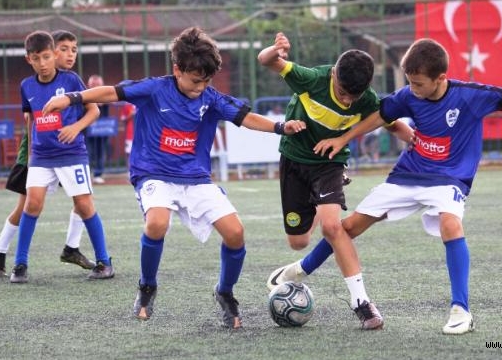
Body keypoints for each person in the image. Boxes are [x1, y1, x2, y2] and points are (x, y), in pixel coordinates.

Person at [268, 38, 502, 335]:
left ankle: (460, 310)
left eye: (418, 83)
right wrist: (343, 138)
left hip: (449, 179)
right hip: (407, 175)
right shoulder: (409, 95)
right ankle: (301, 269)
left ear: (441, 79)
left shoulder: (468, 96)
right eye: (409, 82)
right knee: (345, 229)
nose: (412, 89)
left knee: (450, 225)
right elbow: (379, 117)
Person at [42, 26, 306, 329]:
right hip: (153, 174)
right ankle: (147, 287)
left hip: (195, 177)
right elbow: (112, 93)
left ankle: (225, 292)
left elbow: (245, 117)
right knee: (157, 223)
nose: (201, 87)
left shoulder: (210, 96)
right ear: (177, 69)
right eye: (196, 80)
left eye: (207, 80)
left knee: (235, 233)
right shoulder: (155, 89)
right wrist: (72, 98)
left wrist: (279, 127)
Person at [257, 32, 412, 330]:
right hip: (293, 160)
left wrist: (412, 138)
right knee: (298, 241)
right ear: (333, 74)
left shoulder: (364, 99)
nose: (346, 99)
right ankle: (321, 202)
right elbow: (265, 60)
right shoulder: (311, 79)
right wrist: (276, 51)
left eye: (353, 96)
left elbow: (389, 123)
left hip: (329, 164)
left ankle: (362, 304)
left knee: (332, 227)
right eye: (342, 91)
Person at [7, 30, 115, 284]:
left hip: (72, 154)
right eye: (37, 58)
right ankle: (20, 264)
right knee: (32, 204)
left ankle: (104, 262)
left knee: (85, 205)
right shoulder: (26, 86)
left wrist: (76, 127)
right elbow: (30, 121)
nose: (43, 63)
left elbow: (93, 110)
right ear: (29, 60)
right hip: (41, 157)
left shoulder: (72, 80)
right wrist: (31, 153)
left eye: (46, 57)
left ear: (52, 55)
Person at [85, 74, 109, 184]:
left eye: (97, 84)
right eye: (93, 84)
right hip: (88, 129)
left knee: (100, 151)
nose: (95, 86)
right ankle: (87, 173)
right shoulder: (85, 95)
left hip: (103, 129)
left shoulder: (106, 94)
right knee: (88, 152)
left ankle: (98, 174)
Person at [119, 101, 136, 169]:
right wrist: (130, 115)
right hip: (130, 133)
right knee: (129, 152)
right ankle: (129, 170)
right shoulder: (127, 105)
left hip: (140, 133)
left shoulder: (142, 102)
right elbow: (122, 118)